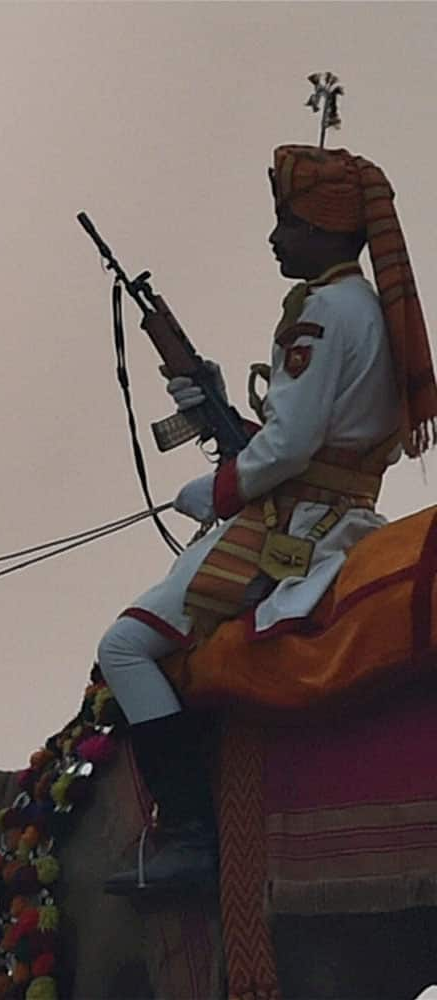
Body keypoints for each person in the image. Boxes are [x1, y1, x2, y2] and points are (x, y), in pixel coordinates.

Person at [99, 144, 437, 895]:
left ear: (322, 226)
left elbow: (287, 448)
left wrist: (216, 490)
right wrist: (213, 402)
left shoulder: (318, 311)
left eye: (287, 221)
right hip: (346, 513)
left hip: (296, 524)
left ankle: (187, 833)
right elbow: (317, 437)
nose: (275, 237)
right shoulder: (367, 309)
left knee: (124, 647)